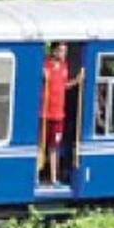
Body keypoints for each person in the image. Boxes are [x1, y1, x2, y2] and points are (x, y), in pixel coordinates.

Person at [40, 42, 70, 186]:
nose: (64, 54)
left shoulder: (65, 67)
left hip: (59, 115)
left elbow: (64, 85)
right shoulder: (45, 65)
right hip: (45, 113)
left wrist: (77, 81)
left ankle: (53, 178)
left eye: (65, 51)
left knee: (54, 147)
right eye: (62, 51)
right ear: (54, 51)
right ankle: (36, 175)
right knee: (40, 145)